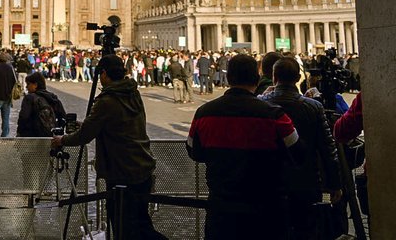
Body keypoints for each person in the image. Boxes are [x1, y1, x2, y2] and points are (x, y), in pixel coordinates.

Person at [186, 53, 301, 240]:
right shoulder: (274, 115)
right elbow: (298, 152)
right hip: (266, 208)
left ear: (229, 78)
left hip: (221, 208)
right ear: (257, 79)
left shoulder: (204, 113)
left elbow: (194, 152)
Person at [52, 55, 165, 240]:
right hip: (142, 165)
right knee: (141, 223)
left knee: (125, 229)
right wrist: (91, 124)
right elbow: (118, 122)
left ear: (103, 74)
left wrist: (62, 140)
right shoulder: (132, 92)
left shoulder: (107, 100)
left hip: (122, 170)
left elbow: (84, 136)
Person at [259, 57, 342, 238]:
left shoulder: (260, 105)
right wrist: (335, 183)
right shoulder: (314, 106)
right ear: (298, 78)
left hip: (269, 182)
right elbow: (328, 149)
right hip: (306, 182)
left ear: (274, 77)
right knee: (307, 231)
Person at [17, 72, 66, 137]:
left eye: (28, 84)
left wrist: (19, 133)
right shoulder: (53, 98)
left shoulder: (30, 98)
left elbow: (23, 118)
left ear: (35, 85)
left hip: (31, 137)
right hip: (52, 137)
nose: (26, 87)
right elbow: (63, 117)